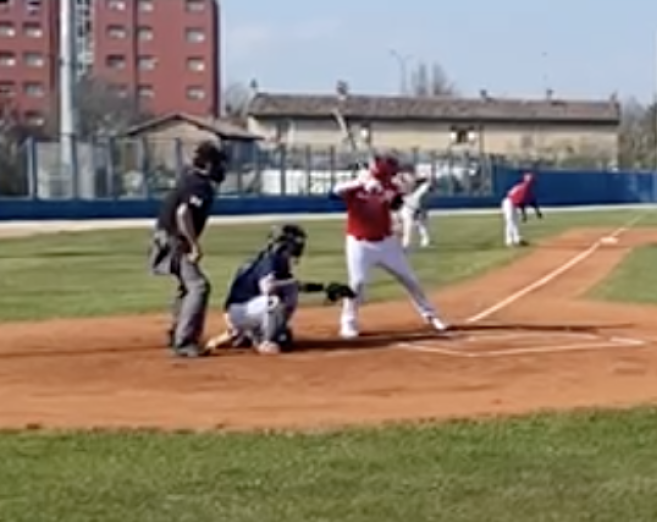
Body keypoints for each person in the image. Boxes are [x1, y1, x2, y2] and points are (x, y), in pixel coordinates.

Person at [335, 154, 450, 339]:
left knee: (410, 279)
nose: (393, 177)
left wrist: (382, 192)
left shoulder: (389, 187)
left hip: (387, 243)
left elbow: (397, 203)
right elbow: (334, 192)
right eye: (390, 174)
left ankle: (431, 315)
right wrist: (359, 184)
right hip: (359, 244)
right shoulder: (354, 186)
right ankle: (348, 323)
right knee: (357, 283)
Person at [205, 224, 356, 355]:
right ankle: (265, 341)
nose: (298, 246)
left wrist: (323, 287)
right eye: (294, 242)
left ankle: (242, 334)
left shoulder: (275, 259)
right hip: (239, 311)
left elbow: (288, 284)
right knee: (278, 299)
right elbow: (268, 287)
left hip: (243, 310)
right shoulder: (271, 260)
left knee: (285, 336)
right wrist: (294, 285)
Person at [148, 140, 226, 358]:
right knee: (199, 286)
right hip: (174, 240)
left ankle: (177, 334)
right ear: (209, 164)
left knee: (188, 285)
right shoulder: (199, 185)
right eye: (218, 163)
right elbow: (183, 213)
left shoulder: (189, 179)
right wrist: (194, 245)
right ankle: (185, 342)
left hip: (165, 238)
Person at [502, 172, 541, 246]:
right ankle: (509, 241)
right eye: (531, 181)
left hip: (513, 203)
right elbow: (521, 203)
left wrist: (537, 212)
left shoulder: (527, 190)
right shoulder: (523, 188)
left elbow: (532, 202)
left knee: (515, 221)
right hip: (509, 202)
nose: (532, 183)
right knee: (510, 220)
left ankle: (517, 239)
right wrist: (524, 215)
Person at [400, 171, 435, 250]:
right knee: (408, 226)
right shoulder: (419, 187)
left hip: (415, 208)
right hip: (408, 208)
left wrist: (421, 211)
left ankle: (425, 241)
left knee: (421, 225)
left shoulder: (422, 188)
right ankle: (406, 244)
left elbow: (427, 187)